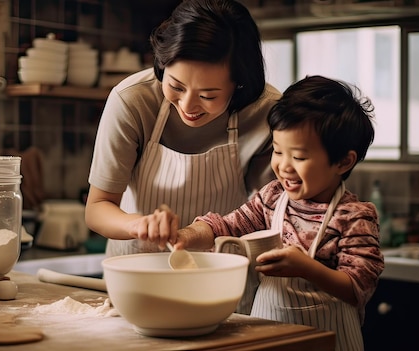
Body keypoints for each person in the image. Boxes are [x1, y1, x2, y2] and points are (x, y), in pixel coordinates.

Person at [146, 75, 385, 351]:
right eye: (278, 151)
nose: (283, 166)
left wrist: (307, 268)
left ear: (343, 161)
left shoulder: (354, 217)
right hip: (270, 337)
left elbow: (358, 286)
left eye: (298, 157)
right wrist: (184, 236)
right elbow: (226, 226)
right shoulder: (272, 198)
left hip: (330, 340)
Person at [85, 0, 281, 258]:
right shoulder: (132, 100)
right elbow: (98, 207)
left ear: (240, 84)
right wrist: (138, 224)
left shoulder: (265, 111)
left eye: (209, 96)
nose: (188, 105)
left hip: (221, 270)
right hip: (138, 269)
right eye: (176, 87)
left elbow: (274, 210)